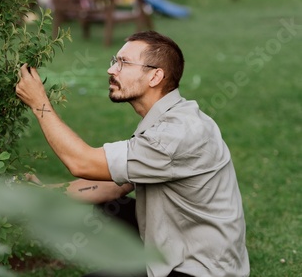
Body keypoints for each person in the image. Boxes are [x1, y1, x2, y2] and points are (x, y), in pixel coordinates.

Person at [16, 30, 250, 277]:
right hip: (181, 242)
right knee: (108, 205)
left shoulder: (174, 135)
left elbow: (81, 162)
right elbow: (115, 185)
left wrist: (39, 103)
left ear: (155, 76)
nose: (111, 70)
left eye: (123, 63)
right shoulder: (167, 118)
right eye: (114, 61)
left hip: (201, 270)